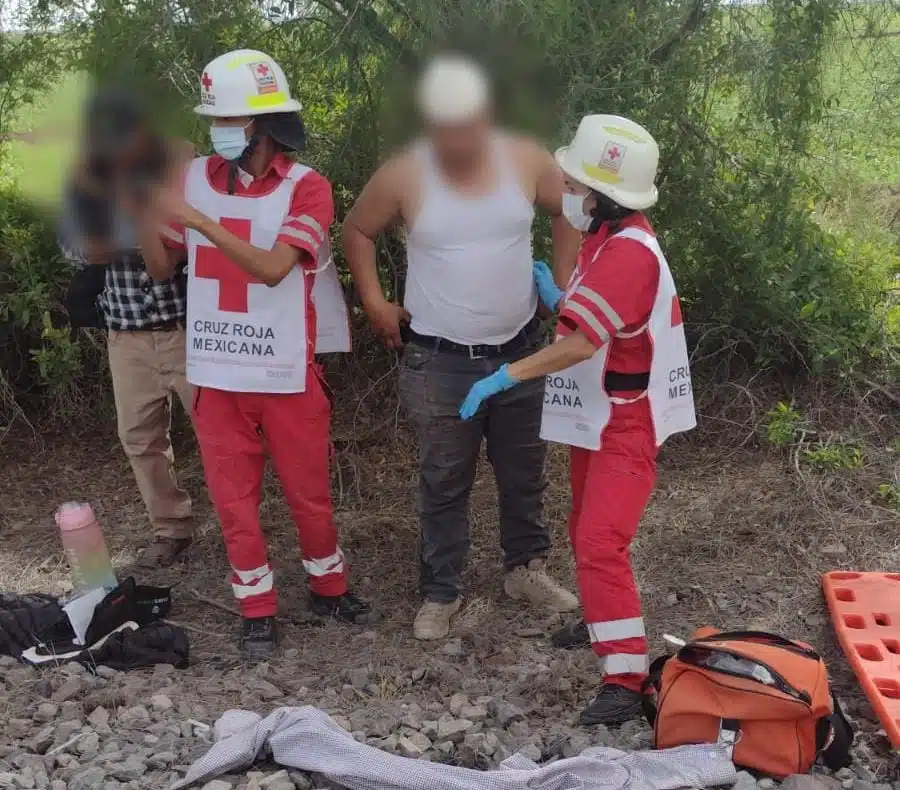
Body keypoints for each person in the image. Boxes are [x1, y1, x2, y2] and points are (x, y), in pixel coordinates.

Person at [458, 114, 697, 725]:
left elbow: (581, 344)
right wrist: (560, 298)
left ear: (602, 194)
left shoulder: (625, 253)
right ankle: (600, 622)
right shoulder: (610, 241)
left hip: (625, 420)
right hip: (605, 413)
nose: (565, 192)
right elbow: (616, 320)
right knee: (583, 527)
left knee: (599, 541)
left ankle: (625, 675)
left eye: (573, 183)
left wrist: (504, 376)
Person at [344, 54, 582, 641]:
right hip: (437, 359)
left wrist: (566, 288)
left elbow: (568, 212)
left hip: (522, 351)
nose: (457, 137)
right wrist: (374, 302)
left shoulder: (526, 158)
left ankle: (525, 569)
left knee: (524, 470)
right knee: (444, 476)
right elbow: (357, 229)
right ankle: (441, 591)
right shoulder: (404, 172)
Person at [143, 49, 370, 660]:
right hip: (216, 375)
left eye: (230, 121)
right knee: (233, 502)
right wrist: (141, 205)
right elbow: (163, 263)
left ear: (265, 127)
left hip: (287, 371)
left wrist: (196, 220)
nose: (217, 132)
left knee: (309, 494)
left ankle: (329, 587)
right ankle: (257, 607)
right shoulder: (190, 180)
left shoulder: (309, 188)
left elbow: (272, 269)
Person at [59, 87, 195, 569]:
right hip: (127, 334)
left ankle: (242, 523)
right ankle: (170, 527)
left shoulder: (181, 169)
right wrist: (140, 227)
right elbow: (79, 251)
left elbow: (194, 239)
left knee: (221, 431)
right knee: (140, 438)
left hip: (189, 328)